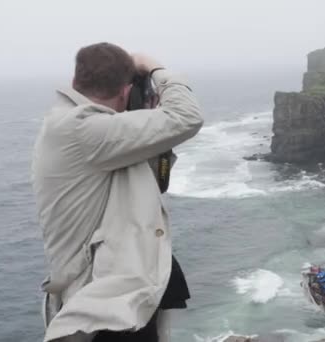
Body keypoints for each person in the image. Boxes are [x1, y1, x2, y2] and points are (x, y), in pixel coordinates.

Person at [32, 42, 203, 342]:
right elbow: (186, 116)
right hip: (104, 307)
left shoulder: (76, 126)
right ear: (125, 92)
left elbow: (151, 186)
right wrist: (156, 69)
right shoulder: (84, 130)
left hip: (122, 295)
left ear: (75, 82)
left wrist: (149, 128)